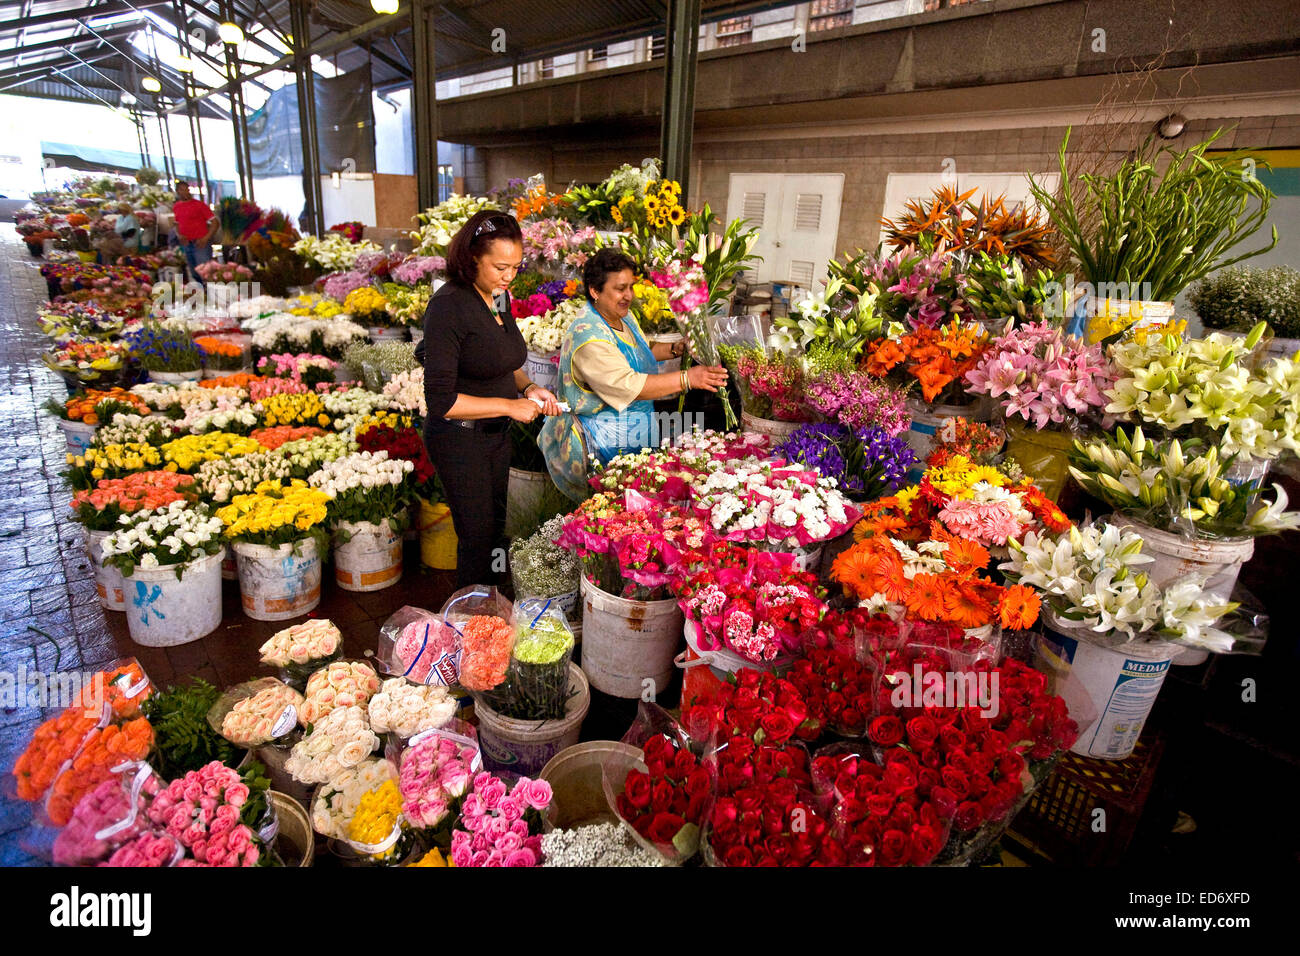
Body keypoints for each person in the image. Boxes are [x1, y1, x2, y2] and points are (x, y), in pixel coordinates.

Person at [421, 210, 562, 587]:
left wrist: (529, 387)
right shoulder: (449, 306)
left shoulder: (497, 298)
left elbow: (503, 359)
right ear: (471, 259)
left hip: (494, 437)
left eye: (515, 267)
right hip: (458, 438)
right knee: (477, 538)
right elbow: (441, 400)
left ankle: (493, 605)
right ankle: (466, 622)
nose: (508, 277)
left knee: (497, 529)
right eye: (500, 266)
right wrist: (508, 406)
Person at [539, 248, 728, 500]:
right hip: (602, 444)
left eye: (631, 287)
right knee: (608, 512)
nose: (628, 295)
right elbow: (628, 385)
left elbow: (639, 349)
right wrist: (689, 379)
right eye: (620, 288)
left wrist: (675, 349)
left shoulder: (621, 317)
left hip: (635, 434)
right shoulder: (589, 336)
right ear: (595, 291)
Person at [172, 181, 217, 284]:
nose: (186, 192)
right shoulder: (176, 207)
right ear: (177, 192)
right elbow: (176, 223)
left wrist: (206, 238)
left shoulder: (199, 205)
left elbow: (215, 222)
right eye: (182, 190)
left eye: (187, 190)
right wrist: (179, 235)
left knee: (205, 273)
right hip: (187, 244)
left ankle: (212, 294)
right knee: (194, 273)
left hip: (201, 244)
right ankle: (203, 294)